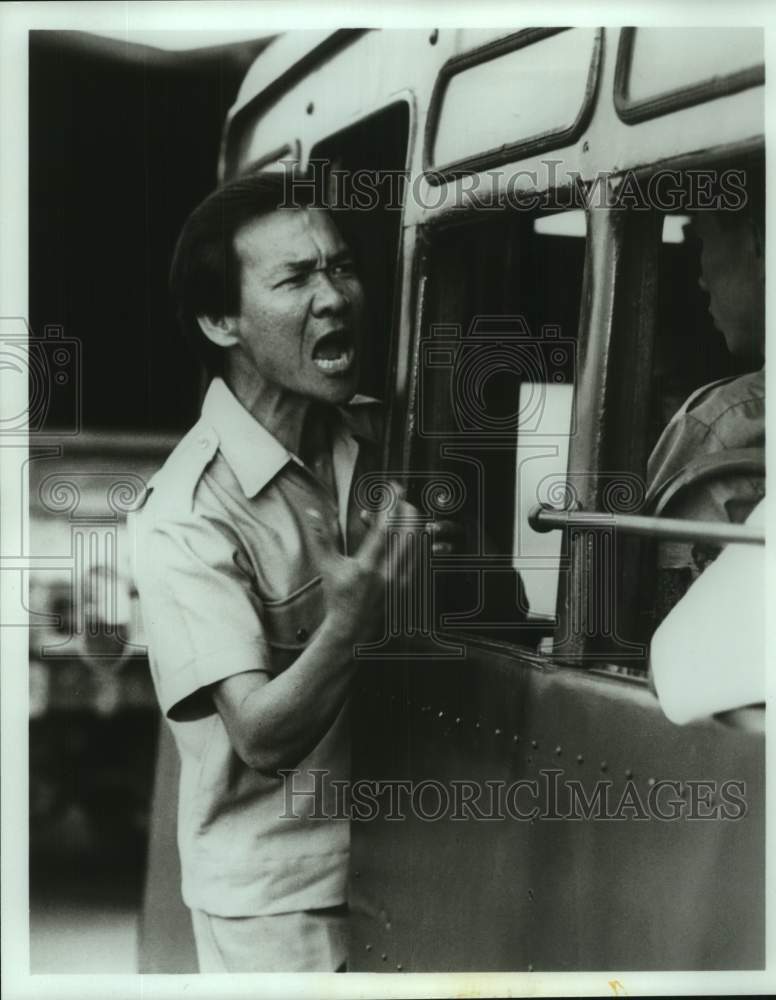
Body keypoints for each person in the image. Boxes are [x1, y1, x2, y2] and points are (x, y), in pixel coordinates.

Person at [129, 174, 445, 973]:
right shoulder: (184, 514)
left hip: (404, 861)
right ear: (220, 320)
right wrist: (352, 620)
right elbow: (263, 734)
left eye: (340, 268)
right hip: (276, 904)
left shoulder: (374, 441)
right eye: (296, 279)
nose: (335, 297)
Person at [646, 191, 765, 610]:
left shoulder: (720, 425)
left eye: (701, 243)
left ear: (758, 243)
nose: (700, 278)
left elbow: (664, 625)